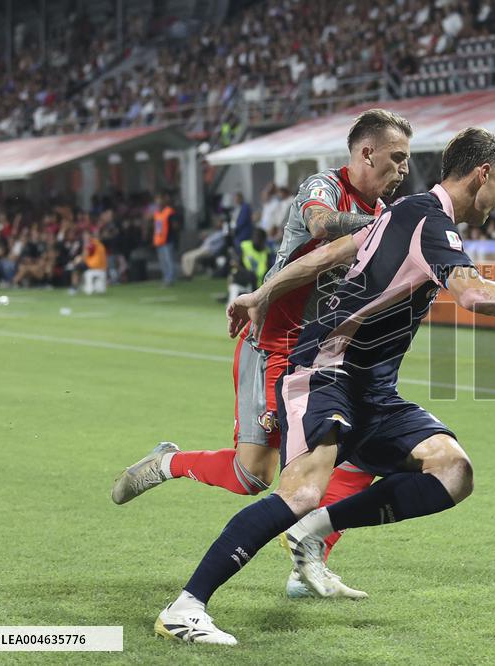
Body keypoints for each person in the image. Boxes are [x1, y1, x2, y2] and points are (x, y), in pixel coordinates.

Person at [152, 127, 495, 645]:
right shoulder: (429, 218)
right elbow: (472, 295)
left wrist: (261, 291)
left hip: (372, 389)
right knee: (299, 490)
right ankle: (186, 606)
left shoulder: (401, 211)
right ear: (481, 174)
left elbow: (328, 256)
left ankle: (313, 532)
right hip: (325, 371)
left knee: (452, 471)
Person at [112, 109, 414, 600]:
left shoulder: (385, 219)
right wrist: (391, 225)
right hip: (274, 344)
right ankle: (168, 463)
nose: (403, 170)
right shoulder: (324, 187)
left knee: (362, 450)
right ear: (366, 153)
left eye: (407, 162)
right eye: (397, 159)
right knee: (254, 474)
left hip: (323, 358)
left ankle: (306, 564)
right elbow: (320, 224)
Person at [152, 193, 179, 286]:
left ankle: (170, 278)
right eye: (156, 200)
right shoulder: (157, 213)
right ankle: (166, 277)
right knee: (162, 261)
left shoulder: (169, 211)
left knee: (169, 260)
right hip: (159, 240)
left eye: (159, 199)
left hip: (168, 239)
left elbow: (175, 225)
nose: (158, 202)